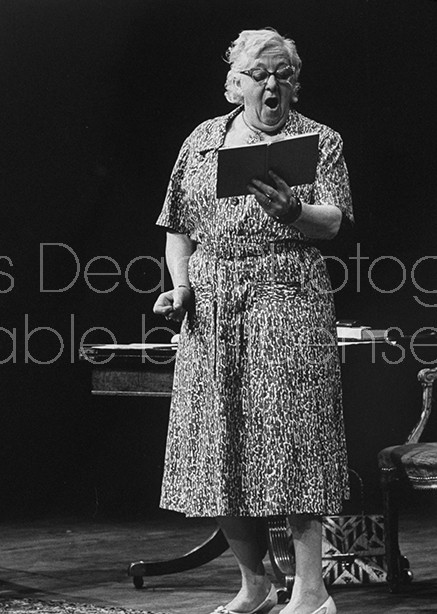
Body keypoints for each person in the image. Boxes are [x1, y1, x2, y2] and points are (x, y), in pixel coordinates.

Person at [153, 28, 353, 614]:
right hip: (213, 307)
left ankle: (313, 593)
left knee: (296, 444)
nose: (273, 84)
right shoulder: (203, 140)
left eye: (283, 74)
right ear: (235, 83)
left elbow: (334, 223)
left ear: (295, 84)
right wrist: (182, 287)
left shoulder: (320, 140)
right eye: (260, 73)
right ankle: (256, 584)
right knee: (216, 445)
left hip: (288, 299)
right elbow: (177, 228)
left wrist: (293, 210)